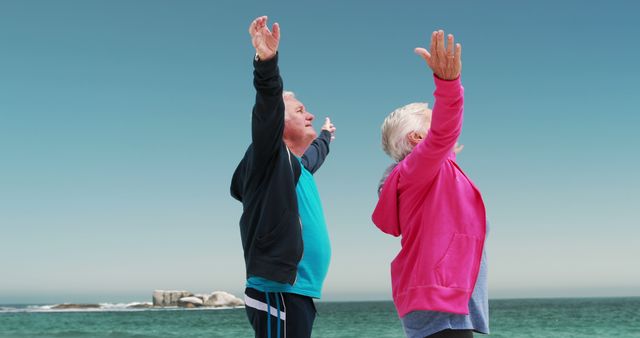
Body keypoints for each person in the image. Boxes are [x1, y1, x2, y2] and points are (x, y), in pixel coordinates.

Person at [372, 30, 489, 338]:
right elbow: (444, 133)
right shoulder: (417, 169)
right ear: (418, 139)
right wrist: (449, 85)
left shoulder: (423, 176)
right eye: (432, 119)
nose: (444, 125)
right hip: (437, 297)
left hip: (438, 295)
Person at [230, 16, 336, 338]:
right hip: (277, 290)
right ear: (278, 118)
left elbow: (314, 156)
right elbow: (267, 108)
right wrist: (267, 63)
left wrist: (326, 137)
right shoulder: (269, 156)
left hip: (298, 292)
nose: (310, 115)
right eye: (301, 109)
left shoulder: (296, 168)